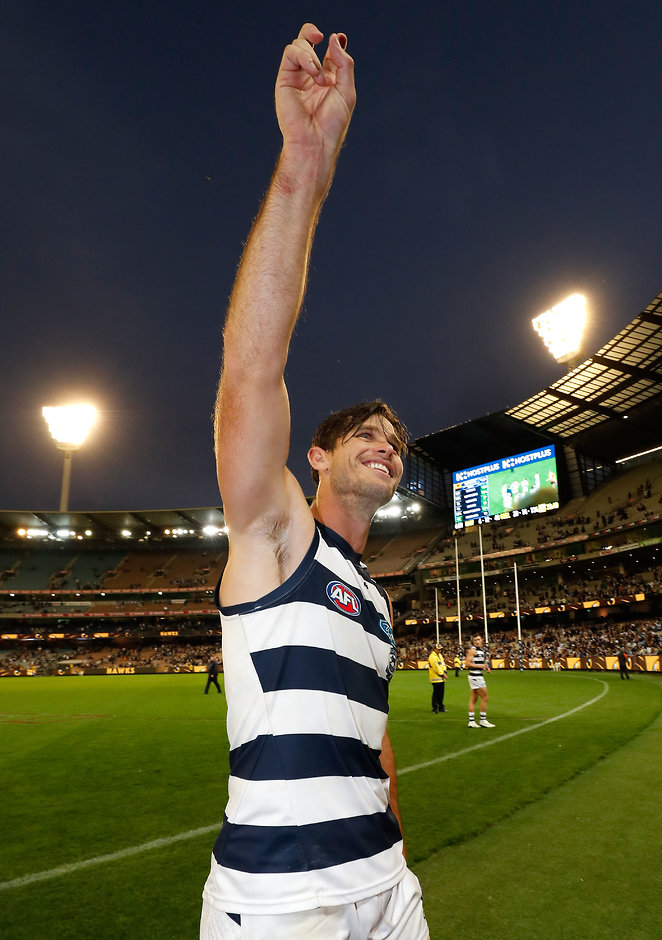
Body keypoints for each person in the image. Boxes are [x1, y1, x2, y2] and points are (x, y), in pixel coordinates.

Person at [200, 23, 429, 940]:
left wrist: (397, 855)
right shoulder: (279, 538)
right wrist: (305, 168)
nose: (387, 444)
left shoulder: (373, 597)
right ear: (317, 458)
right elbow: (249, 373)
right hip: (286, 900)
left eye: (396, 441)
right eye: (365, 433)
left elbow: (376, 743)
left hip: (387, 885)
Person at [465, 633, 494, 728]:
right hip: (476, 676)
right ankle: (483, 720)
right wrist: (481, 666)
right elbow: (467, 663)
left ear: (482, 640)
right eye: (475, 640)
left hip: (475, 676)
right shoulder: (473, 650)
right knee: (485, 697)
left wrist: (486, 667)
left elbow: (479, 662)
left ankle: (471, 721)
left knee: (473, 699)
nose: (477, 642)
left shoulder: (480, 650)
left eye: (478, 639)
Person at [428, 645, 447, 712]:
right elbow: (436, 667)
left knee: (441, 693)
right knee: (436, 693)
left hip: (441, 678)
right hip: (435, 678)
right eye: (438, 649)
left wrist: (444, 671)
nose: (440, 650)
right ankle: (435, 708)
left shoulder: (439, 655)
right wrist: (442, 674)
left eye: (440, 649)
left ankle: (441, 707)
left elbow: (443, 664)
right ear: (434, 649)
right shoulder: (432, 657)